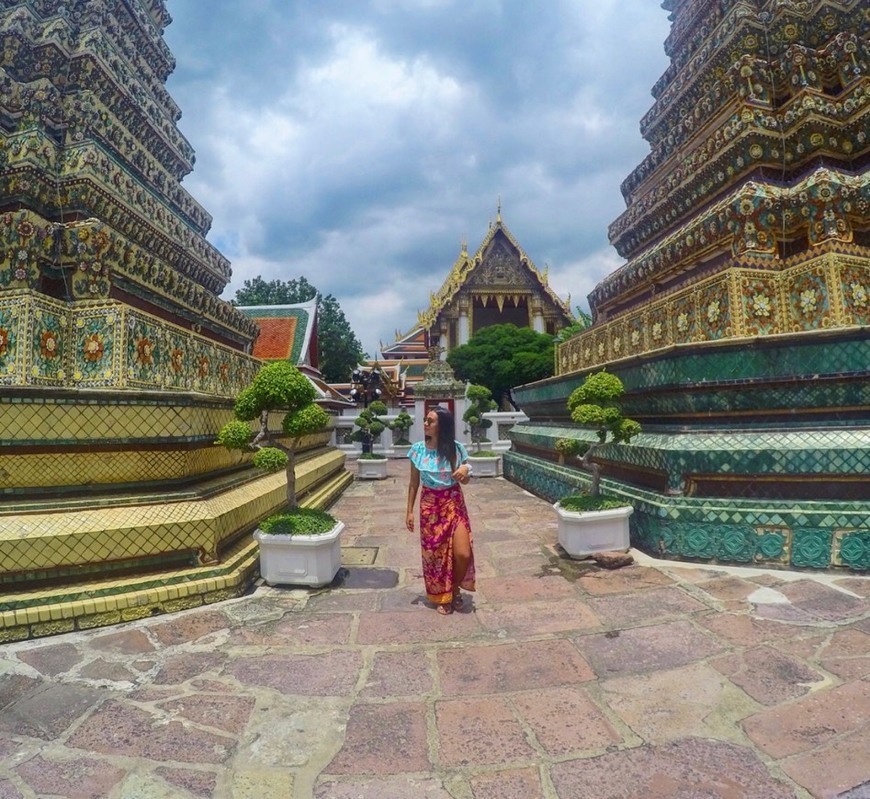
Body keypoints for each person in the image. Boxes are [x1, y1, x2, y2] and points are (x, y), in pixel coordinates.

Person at [405, 405, 476, 615]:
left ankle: (453, 588)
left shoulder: (455, 449)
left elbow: (466, 481)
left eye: (430, 421)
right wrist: (408, 511)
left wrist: (466, 469)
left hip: (453, 502)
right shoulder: (417, 450)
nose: (425, 424)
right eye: (425, 420)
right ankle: (442, 596)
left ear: (442, 426)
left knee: (462, 553)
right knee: (434, 555)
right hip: (429, 506)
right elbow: (413, 484)